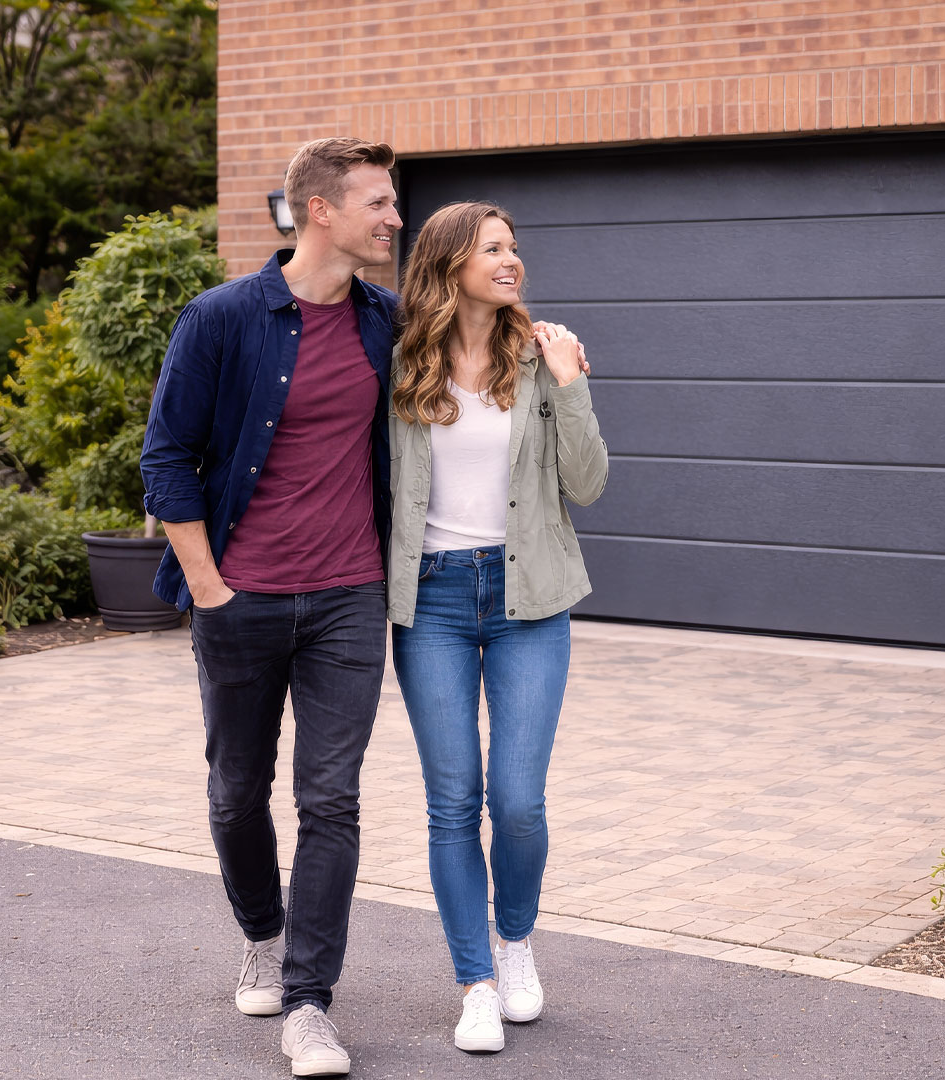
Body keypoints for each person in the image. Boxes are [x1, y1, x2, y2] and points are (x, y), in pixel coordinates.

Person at [140, 136, 402, 1078]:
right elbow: (166, 456)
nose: (394, 217)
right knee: (236, 789)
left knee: (330, 798)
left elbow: (462, 376)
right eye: (378, 202)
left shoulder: (386, 320)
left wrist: (542, 350)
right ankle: (262, 931)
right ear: (320, 210)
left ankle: (309, 1002)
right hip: (241, 597)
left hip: (348, 599)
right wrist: (209, 585)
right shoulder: (221, 317)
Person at [386, 200, 609, 1053]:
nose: (511, 260)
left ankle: (516, 944)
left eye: (514, 246)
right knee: (453, 802)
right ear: (450, 264)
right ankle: (474, 982)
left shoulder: (543, 357)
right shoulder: (401, 362)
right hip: (433, 600)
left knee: (517, 801)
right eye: (492, 248)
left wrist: (570, 381)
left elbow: (587, 484)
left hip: (530, 600)